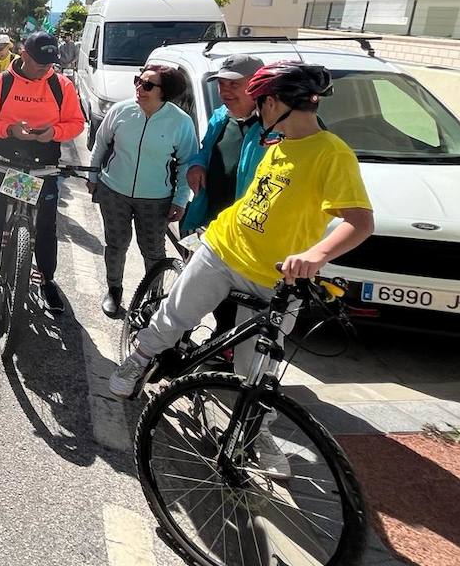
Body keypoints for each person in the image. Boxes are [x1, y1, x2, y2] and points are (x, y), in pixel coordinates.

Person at [111, 64, 375, 437]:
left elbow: (360, 222)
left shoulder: (331, 153)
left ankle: (254, 435)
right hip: (223, 249)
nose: (259, 109)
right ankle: (138, 360)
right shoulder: (278, 141)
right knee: (175, 316)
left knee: (256, 371)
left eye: (263, 101)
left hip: (274, 277)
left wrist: (316, 256)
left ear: (277, 102)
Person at [0, 32, 85, 309]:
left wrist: (53, 132)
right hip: (6, 160)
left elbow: (76, 123)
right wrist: (9, 129)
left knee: (45, 225)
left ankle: (46, 280)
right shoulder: (0, 83)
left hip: (43, 162)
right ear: (24, 54)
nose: (47, 68)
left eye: (51, 62)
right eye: (41, 62)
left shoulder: (61, 85)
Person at [88, 64, 198, 317]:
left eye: (148, 85)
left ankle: (153, 300)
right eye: (138, 81)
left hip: (156, 199)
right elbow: (100, 144)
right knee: (115, 244)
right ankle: (114, 290)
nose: (139, 87)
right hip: (113, 191)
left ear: (165, 92)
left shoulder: (180, 123)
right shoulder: (121, 110)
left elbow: (186, 165)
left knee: (153, 252)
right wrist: (93, 177)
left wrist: (180, 199)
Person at [181, 55, 266, 339]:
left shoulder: (273, 129)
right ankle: (179, 344)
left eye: (234, 84)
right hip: (209, 216)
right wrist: (197, 163)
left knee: (231, 296)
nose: (226, 91)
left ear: (257, 85)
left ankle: (223, 343)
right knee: (192, 289)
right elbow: (206, 148)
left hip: (243, 229)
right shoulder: (221, 116)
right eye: (222, 84)